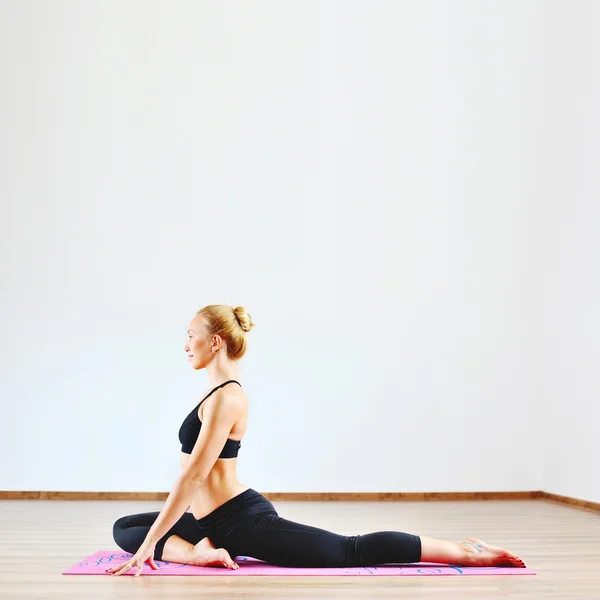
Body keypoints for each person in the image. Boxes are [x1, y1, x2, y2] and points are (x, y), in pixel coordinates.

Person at [108, 304, 526, 576]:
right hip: (208, 521)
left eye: (190, 335)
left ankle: (468, 551)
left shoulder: (228, 399)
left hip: (240, 520)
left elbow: (194, 478)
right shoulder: (214, 395)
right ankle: (200, 552)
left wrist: (150, 547)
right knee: (125, 527)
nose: (185, 345)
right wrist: (147, 541)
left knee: (349, 550)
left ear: (214, 341)